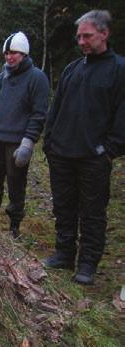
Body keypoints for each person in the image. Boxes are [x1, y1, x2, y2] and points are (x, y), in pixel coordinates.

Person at [43, 10, 124, 285]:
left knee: (92, 212)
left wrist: (109, 149)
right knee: (64, 207)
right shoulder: (73, 68)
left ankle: (88, 263)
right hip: (62, 153)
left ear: (104, 33)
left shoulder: (119, 70)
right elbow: (56, 106)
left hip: (93, 156)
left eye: (87, 36)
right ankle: (64, 254)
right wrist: (49, 140)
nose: (82, 41)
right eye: (79, 37)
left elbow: (122, 116)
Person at [0, 32, 50, 238]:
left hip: (16, 142)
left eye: (14, 53)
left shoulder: (37, 77)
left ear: (24, 54)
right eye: (7, 53)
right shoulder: (3, 77)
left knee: (16, 186)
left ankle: (14, 226)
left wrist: (28, 142)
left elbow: (39, 114)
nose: (9, 57)